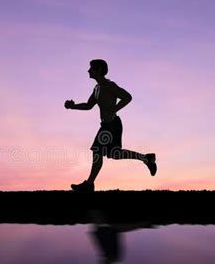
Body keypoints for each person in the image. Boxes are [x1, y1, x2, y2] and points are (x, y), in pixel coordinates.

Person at [65, 59, 157, 192]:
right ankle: (146, 158)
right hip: (107, 125)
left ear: (99, 70)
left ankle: (89, 185)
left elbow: (127, 97)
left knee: (97, 151)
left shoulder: (110, 85)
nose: (88, 71)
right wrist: (73, 106)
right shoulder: (96, 88)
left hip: (112, 124)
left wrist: (114, 109)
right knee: (115, 154)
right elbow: (88, 105)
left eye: (91, 68)